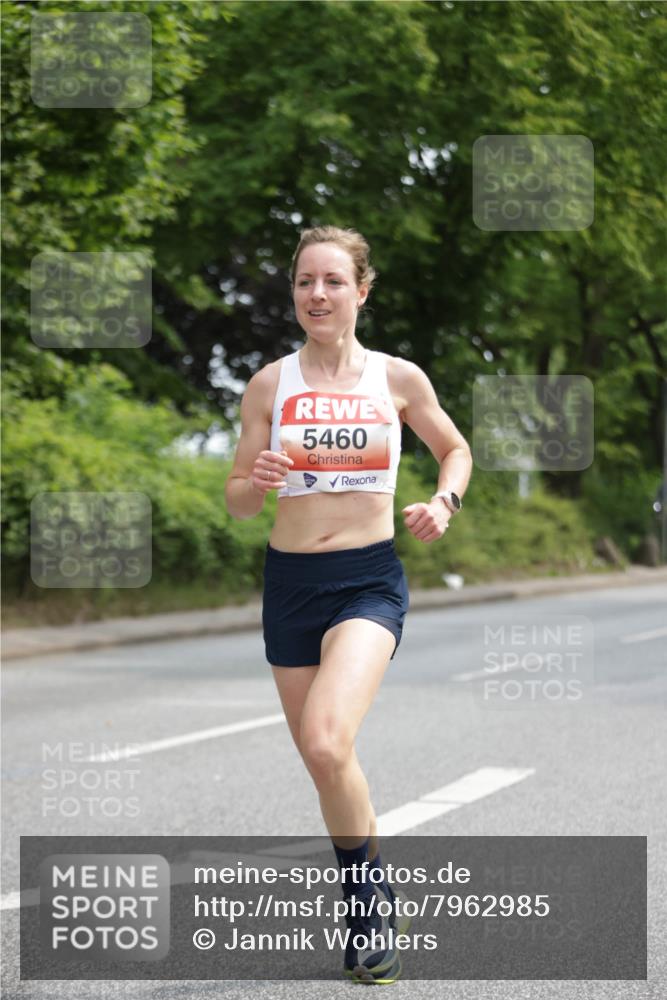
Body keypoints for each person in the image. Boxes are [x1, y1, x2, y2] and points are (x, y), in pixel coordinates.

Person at [225, 225, 472, 983]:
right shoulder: (269, 385)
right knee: (324, 761)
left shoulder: (397, 379)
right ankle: (376, 888)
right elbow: (237, 501)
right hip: (290, 585)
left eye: (333, 281)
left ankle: (364, 907)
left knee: (328, 742)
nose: (317, 294)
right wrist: (256, 481)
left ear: (361, 292)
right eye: (305, 281)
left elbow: (455, 449)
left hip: (367, 580)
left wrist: (444, 501)